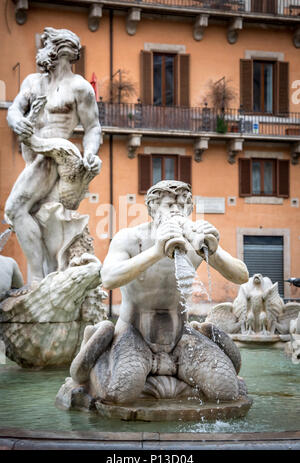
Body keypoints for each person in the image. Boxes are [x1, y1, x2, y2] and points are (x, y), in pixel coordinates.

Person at [81, 180, 249, 404]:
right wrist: (157, 251)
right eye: (170, 205)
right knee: (121, 393)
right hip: (135, 332)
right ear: (152, 208)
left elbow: (241, 276)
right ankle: (101, 356)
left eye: (183, 205)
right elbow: (108, 278)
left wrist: (214, 252)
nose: (177, 211)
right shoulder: (130, 238)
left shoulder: (195, 239)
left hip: (179, 337)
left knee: (226, 390)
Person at [4, 27, 102, 283]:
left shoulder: (79, 87)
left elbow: (93, 128)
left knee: (15, 209)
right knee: (41, 216)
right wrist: (17, 123)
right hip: (34, 154)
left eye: (46, 45)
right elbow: (13, 110)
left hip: (54, 157)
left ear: (60, 51)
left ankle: (36, 279)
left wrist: (90, 153)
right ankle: (50, 277)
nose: (42, 50)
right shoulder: (33, 83)